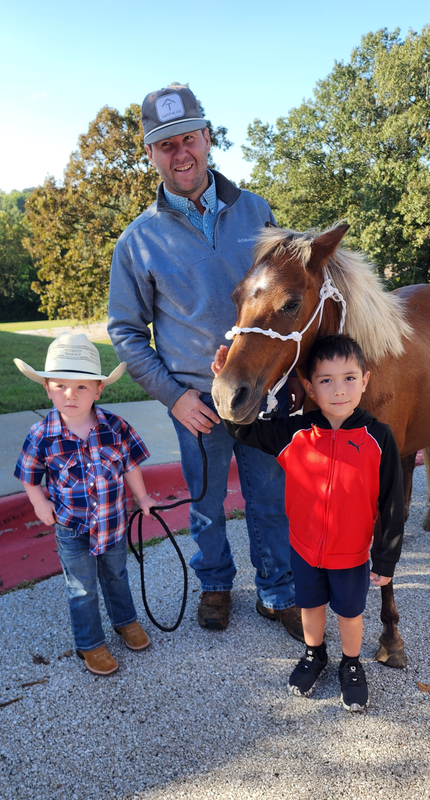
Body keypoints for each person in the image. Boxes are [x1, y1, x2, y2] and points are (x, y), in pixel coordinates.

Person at [107, 83, 304, 638]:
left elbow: (289, 296)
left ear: (208, 138)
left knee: (270, 498)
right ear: (150, 155)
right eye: (164, 145)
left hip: (261, 391)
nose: (180, 153)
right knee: (206, 503)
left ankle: (278, 590)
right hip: (197, 400)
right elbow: (125, 330)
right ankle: (216, 584)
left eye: (188, 138)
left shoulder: (257, 211)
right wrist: (175, 396)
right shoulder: (137, 241)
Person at [213, 334, 404, 711]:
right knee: (311, 609)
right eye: (326, 380)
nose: (339, 389)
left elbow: (393, 503)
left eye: (349, 378)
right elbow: (243, 430)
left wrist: (385, 559)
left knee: (350, 614)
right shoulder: (296, 432)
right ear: (311, 388)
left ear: (365, 381)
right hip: (303, 550)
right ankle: (315, 654)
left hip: (350, 555)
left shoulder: (379, 438)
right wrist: (222, 387)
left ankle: (351, 664)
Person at [14, 333, 155, 676]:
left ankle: (126, 621)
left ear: (98, 389)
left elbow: (130, 465)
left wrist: (142, 496)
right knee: (81, 587)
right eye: (60, 385)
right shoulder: (41, 434)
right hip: (71, 527)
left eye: (81, 387)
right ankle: (90, 643)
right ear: (47, 387)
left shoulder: (115, 427)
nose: (70, 395)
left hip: (113, 522)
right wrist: (39, 503)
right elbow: (29, 475)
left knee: (117, 575)